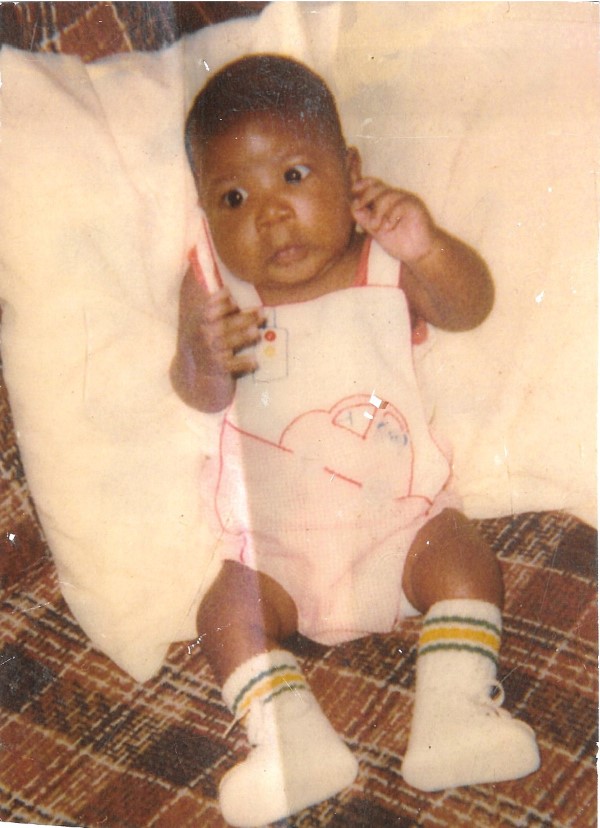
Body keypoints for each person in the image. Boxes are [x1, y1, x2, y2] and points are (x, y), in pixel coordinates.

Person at [171, 54, 539, 828]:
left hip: (402, 526)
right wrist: (203, 351)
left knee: (464, 555)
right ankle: (288, 740)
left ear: (351, 172)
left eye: (295, 177)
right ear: (207, 220)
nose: (270, 214)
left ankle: (455, 713)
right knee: (222, 611)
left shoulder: (380, 266)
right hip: (276, 555)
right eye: (235, 197)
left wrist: (426, 245)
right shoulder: (221, 295)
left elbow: (468, 306)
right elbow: (199, 392)